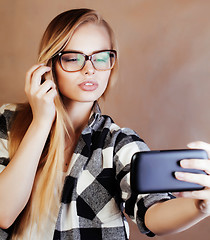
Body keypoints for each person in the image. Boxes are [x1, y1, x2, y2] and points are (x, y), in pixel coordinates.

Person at [0, 8, 209, 240]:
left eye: (100, 57)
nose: (90, 69)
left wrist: (199, 207)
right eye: (73, 58)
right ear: (49, 66)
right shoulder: (9, 120)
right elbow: (3, 213)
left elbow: (153, 210)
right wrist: (41, 122)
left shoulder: (118, 143)